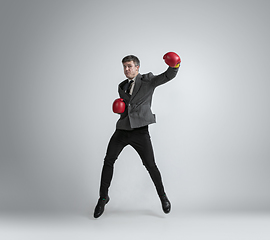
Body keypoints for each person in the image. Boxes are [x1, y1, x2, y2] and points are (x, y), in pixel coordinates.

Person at [94, 53, 181, 218]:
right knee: (108, 161)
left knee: (150, 165)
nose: (126, 69)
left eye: (129, 66)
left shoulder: (148, 81)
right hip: (122, 130)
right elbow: (127, 106)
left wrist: (174, 65)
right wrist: (121, 109)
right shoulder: (122, 86)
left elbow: (167, 76)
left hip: (140, 131)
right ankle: (103, 197)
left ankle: (163, 196)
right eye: (124, 67)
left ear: (137, 67)